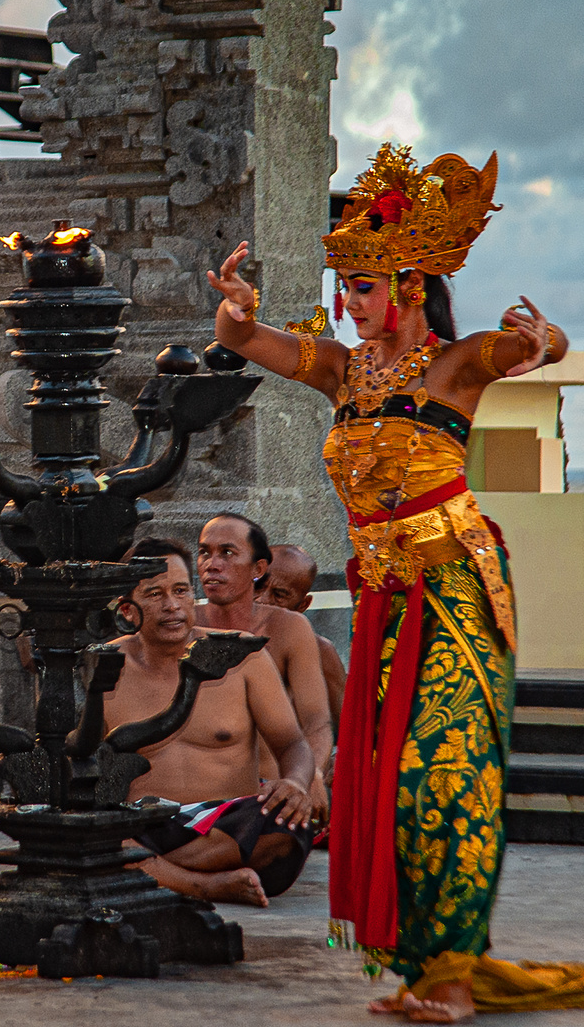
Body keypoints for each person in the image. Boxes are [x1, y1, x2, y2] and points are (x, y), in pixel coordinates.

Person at [211, 142, 581, 1019]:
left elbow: (529, 347)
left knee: (442, 776)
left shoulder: (455, 365)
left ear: (410, 286)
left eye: (362, 290)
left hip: (454, 588)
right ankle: (426, 968)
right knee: (385, 783)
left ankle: (451, 972)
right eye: (344, 290)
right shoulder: (342, 372)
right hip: (383, 595)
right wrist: (233, 312)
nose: (347, 306)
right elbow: (245, 342)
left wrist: (545, 341)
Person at [104, 539, 316, 908]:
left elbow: (291, 742)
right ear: (127, 611)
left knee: (287, 823)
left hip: (231, 822)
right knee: (90, 831)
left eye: (181, 591)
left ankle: (151, 874)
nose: (172, 606)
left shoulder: (241, 654)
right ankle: (206, 886)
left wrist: (296, 783)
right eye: (155, 594)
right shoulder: (104, 666)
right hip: (146, 823)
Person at [194, 514, 334, 817]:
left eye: (227, 553)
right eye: (204, 552)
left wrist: (310, 776)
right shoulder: (182, 624)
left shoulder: (290, 629)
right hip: (194, 796)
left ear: (258, 569)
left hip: (270, 798)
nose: (212, 564)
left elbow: (317, 722)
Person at [259, 544, 347, 738]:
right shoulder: (216, 636)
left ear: (303, 605)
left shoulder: (319, 652)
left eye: (279, 595)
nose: (263, 600)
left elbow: (350, 732)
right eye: (258, 586)